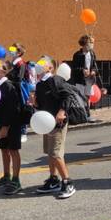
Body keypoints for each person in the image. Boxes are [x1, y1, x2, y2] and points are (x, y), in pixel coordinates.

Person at [34, 56, 76, 199]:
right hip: (47, 123)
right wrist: (34, 104)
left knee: (56, 154)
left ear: (50, 67)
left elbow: (68, 95)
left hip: (58, 123)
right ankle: (53, 180)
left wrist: (62, 112)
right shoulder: (40, 84)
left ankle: (68, 183)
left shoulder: (55, 80)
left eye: (42, 63)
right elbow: (40, 105)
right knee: (50, 152)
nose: (38, 65)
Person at [0, 60, 23, 195]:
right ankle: (6, 176)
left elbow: (13, 109)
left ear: (4, 71)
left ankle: (16, 180)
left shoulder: (9, 86)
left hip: (12, 124)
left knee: (13, 150)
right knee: (4, 150)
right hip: (0, 123)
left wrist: (6, 127)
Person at [71, 35, 103, 121]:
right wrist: (82, 71)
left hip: (89, 79)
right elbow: (74, 68)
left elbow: (94, 66)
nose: (92, 45)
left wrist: (93, 71)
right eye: (90, 42)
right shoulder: (77, 55)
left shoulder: (92, 54)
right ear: (85, 43)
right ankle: (81, 115)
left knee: (88, 97)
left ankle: (87, 114)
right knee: (80, 97)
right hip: (80, 80)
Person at [6, 43, 30, 142]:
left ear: (19, 52)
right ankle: (15, 130)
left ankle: (23, 132)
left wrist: (8, 79)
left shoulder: (21, 63)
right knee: (14, 110)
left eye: (13, 49)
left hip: (19, 89)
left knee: (21, 108)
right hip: (12, 88)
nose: (11, 51)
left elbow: (19, 78)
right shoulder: (12, 62)